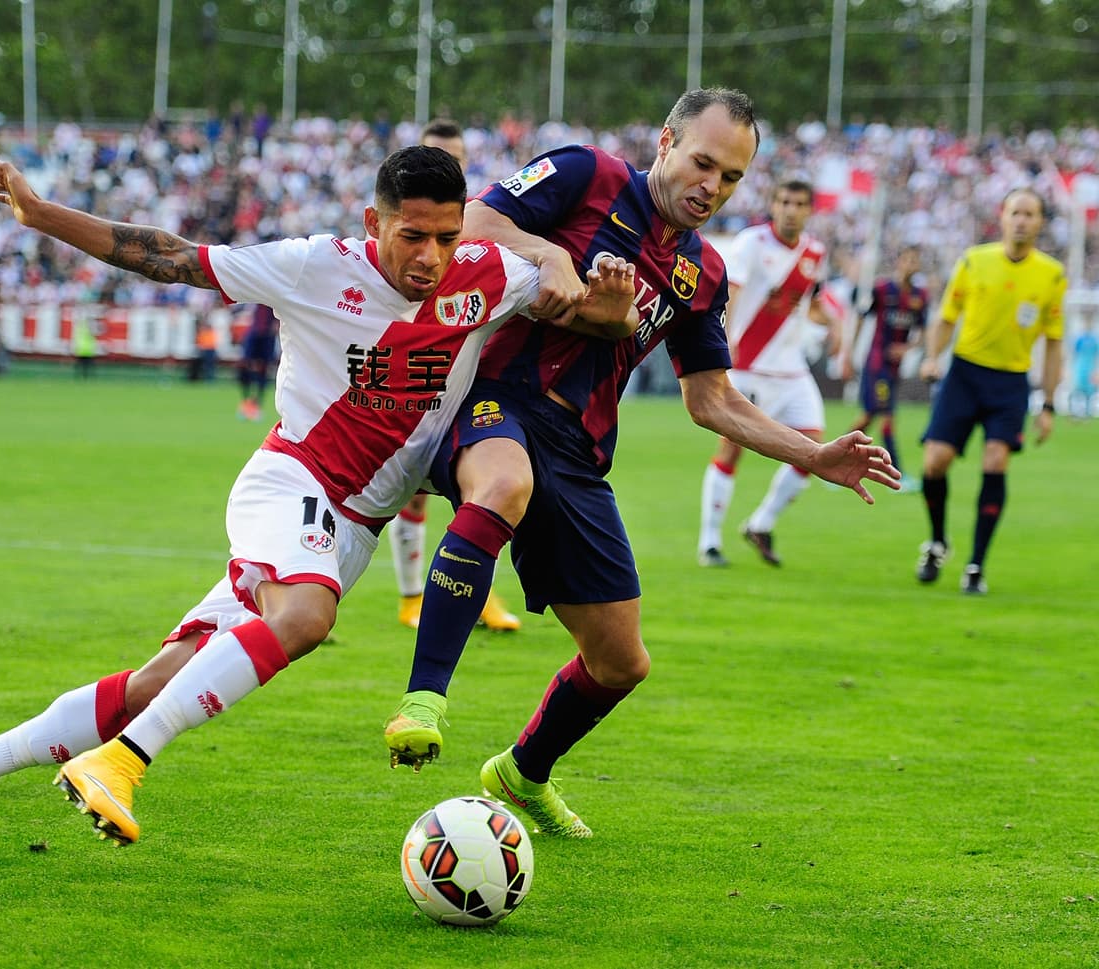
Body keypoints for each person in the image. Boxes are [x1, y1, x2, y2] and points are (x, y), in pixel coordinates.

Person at [0, 145, 638, 860]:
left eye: (447, 236)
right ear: (373, 221)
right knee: (306, 617)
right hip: (293, 484)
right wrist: (39, 213)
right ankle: (121, 762)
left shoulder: (486, 273)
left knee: (159, 681)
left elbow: (584, 312)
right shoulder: (315, 265)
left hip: (354, 528)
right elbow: (171, 255)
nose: (431, 257)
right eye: (412, 235)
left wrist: (580, 283)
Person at [381, 88, 900, 840]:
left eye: (730, 178)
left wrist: (813, 453)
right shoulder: (584, 176)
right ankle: (424, 700)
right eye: (702, 163)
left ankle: (522, 772)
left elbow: (712, 399)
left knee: (621, 662)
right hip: (496, 398)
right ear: (666, 142)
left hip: (581, 455)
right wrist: (549, 251)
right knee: (502, 482)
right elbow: (476, 224)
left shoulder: (703, 271)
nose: (711, 187)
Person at [388, 118, 522, 632]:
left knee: (482, 490)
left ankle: (477, 595)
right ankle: (408, 597)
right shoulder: (404, 222)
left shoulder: (483, 219)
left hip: (476, 375)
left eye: (458, 156)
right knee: (406, 489)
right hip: (412, 372)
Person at [915, 187, 1066, 595]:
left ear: (1040, 222)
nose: (1021, 220)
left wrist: (1048, 404)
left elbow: (1053, 344)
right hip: (964, 374)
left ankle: (976, 565)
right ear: (1002, 216)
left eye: (1030, 214)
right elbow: (947, 317)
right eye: (1015, 212)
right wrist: (932, 356)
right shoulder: (974, 261)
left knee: (997, 461)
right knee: (934, 463)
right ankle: (937, 542)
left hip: (1011, 382)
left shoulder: (1051, 274)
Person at [696, 177, 840, 568]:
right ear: (774, 205)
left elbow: (807, 303)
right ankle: (709, 542)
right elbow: (733, 291)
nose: (791, 210)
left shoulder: (815, 252)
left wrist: (835, 324)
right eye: (784, 202)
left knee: (815, 450)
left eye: (798, 204)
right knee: (732, 447)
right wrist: (726, 337)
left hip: (791, 370)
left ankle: (761, 523)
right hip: (749, 367)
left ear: (810, 210)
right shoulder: (751, 243)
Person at [839, 245, 928, 489]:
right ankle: (897, 472)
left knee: (869, 416)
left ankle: (834, 458)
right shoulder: (881, 289)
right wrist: (848, 353)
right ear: (898, 262)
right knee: (887, 415)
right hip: (877, 364)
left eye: (915, 261)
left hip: (894, 368)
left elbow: (922, 331)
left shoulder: (920, 297)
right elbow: (860, 315)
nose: (910, 264)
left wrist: (907, 348)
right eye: (907, 259)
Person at [236, 301, 278, 421]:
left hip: (267, 335)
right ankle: (246, 402)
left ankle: (257, 405)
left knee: (264, 370)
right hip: (254, 332)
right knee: (244, 365)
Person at [1069, 308, 1097, 419]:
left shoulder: (1095, 340)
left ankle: (1088, 413)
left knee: (1090, 391)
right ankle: (1075, 411)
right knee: (1077, 390)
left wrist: (1095, 371)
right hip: (1080, 368)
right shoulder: (1079, 339)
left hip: (1090, 368)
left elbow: (1096, 356)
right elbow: (1074, 354)